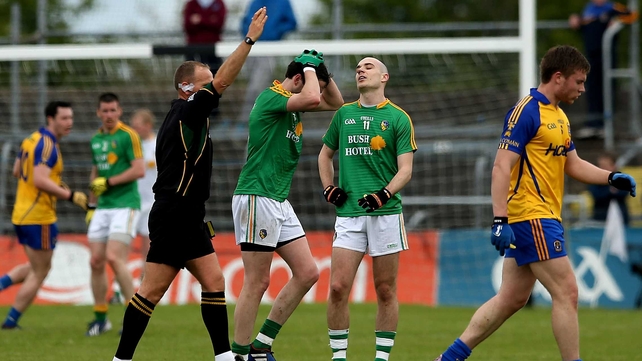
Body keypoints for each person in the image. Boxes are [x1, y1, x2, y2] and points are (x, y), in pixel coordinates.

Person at [434, 45, 637, 361]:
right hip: (531, 215)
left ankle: (449, 358)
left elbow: (574, 164)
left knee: (511, 299)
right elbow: (501, 166)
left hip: (542, 216)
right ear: (558, 77)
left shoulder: (559, 116)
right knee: (567, 292)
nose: (583, 89)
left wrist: (611, 177)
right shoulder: (526, 111)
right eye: (579, 81)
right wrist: (499, 219)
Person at [111, 8, 267, 361]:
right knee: (150, 292)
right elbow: (224, 82)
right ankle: (121, 359)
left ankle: (223, 357)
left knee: (213, 283)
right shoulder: (187, 110)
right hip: (175, 212)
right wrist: (249, 40)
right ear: (187, 87)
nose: (213, 83)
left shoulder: (179, 114)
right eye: (205, 80)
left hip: (185, 213)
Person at [231, 49, 344, 361]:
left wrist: (322, 70)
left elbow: (335, 102)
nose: (316, 92)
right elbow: (310, 98)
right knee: (257, 281)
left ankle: (261, 343)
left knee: (308, 272)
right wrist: (310, 69)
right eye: (311, 83)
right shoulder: (272, 97)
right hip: (257, 195)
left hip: (277, 200)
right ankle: (239, 356)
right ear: (298, 79)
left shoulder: (292, 104)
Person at [318, 57, 417, 361]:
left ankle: (381, 359)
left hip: (385, 215)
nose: (361, 70)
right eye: (359, 67)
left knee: (385, 290)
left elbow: (405, 170)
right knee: (336, 287)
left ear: (384, 76)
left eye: (369, 66)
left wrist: (383, 194)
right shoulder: (344, 114)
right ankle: (339, 358)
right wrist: (328, 187)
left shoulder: (399, 118)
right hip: (349, 215)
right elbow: (324, 156)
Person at [1, 101, 88, 329]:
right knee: (41, 271)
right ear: (51, 119)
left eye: (70, 118)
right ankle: (11, 322)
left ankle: (2, 285)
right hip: (39, 216)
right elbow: (39, 180)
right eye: (64, 118)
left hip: (21, 213)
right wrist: (69, 195)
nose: (69, 123)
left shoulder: (31, 139)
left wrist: (53, 183)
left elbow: (17, 171)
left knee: (36, 266)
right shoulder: (48, 146)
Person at [85, 92, 145, 336]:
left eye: (113, 111)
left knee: (113, 257)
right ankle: (100, 318)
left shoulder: (128, 135)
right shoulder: (96, 139)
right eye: (105, 111)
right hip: (103, 208)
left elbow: (139, 170)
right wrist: (91, 205)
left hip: (126, 205)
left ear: (119, 112)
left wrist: (108, 183)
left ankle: (134, 319)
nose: (109, 115)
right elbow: (96, 172)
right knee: (95, 261)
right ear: (98, 113)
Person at [568, 0, 634, 139]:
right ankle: (593, 124)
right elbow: (582, 25)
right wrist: (575, 19)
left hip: (607, 58)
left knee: (607, 89)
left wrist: (616, 21)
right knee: (591, 90)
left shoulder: (612, 8)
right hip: (591, 59)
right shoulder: (588, 9)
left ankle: (606, 125)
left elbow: (632, 16)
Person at [238, 0, 297, 126]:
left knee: (256, 86)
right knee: (254, 85)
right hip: (252, 48)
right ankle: (257, 119)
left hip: (269, 49)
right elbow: (245, 20)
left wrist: (275, 32)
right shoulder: (255, 2)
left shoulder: (283, 3)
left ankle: (247, 121)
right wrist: (247, 34)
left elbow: (292, 22)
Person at [130, 108, 158, 274]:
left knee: (147, 246)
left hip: (151, 202)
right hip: (132, 201)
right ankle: (119, 286)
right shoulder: (132, 146)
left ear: (148, 125)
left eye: (138, 126)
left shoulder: (157, 144)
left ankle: (144, 284)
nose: (135, 130)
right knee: (124, 243)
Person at [588, 152, 630, 225]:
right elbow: (596, 194)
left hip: (620, 219)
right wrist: (610, 191)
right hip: (600, 218)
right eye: (600, 165)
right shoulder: (594, 179)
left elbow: (624, 192)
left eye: (605, 165)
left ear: (613, 166)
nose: (602, 168)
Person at [183, 0, 226, 71]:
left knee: (214, 76)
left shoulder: (219, 3)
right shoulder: (191, 4)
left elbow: (219, 24)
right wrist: (210, 19)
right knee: (193, 76)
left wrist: (200, 20)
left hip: (213, 49)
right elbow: (187, 26)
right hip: (194, 48)